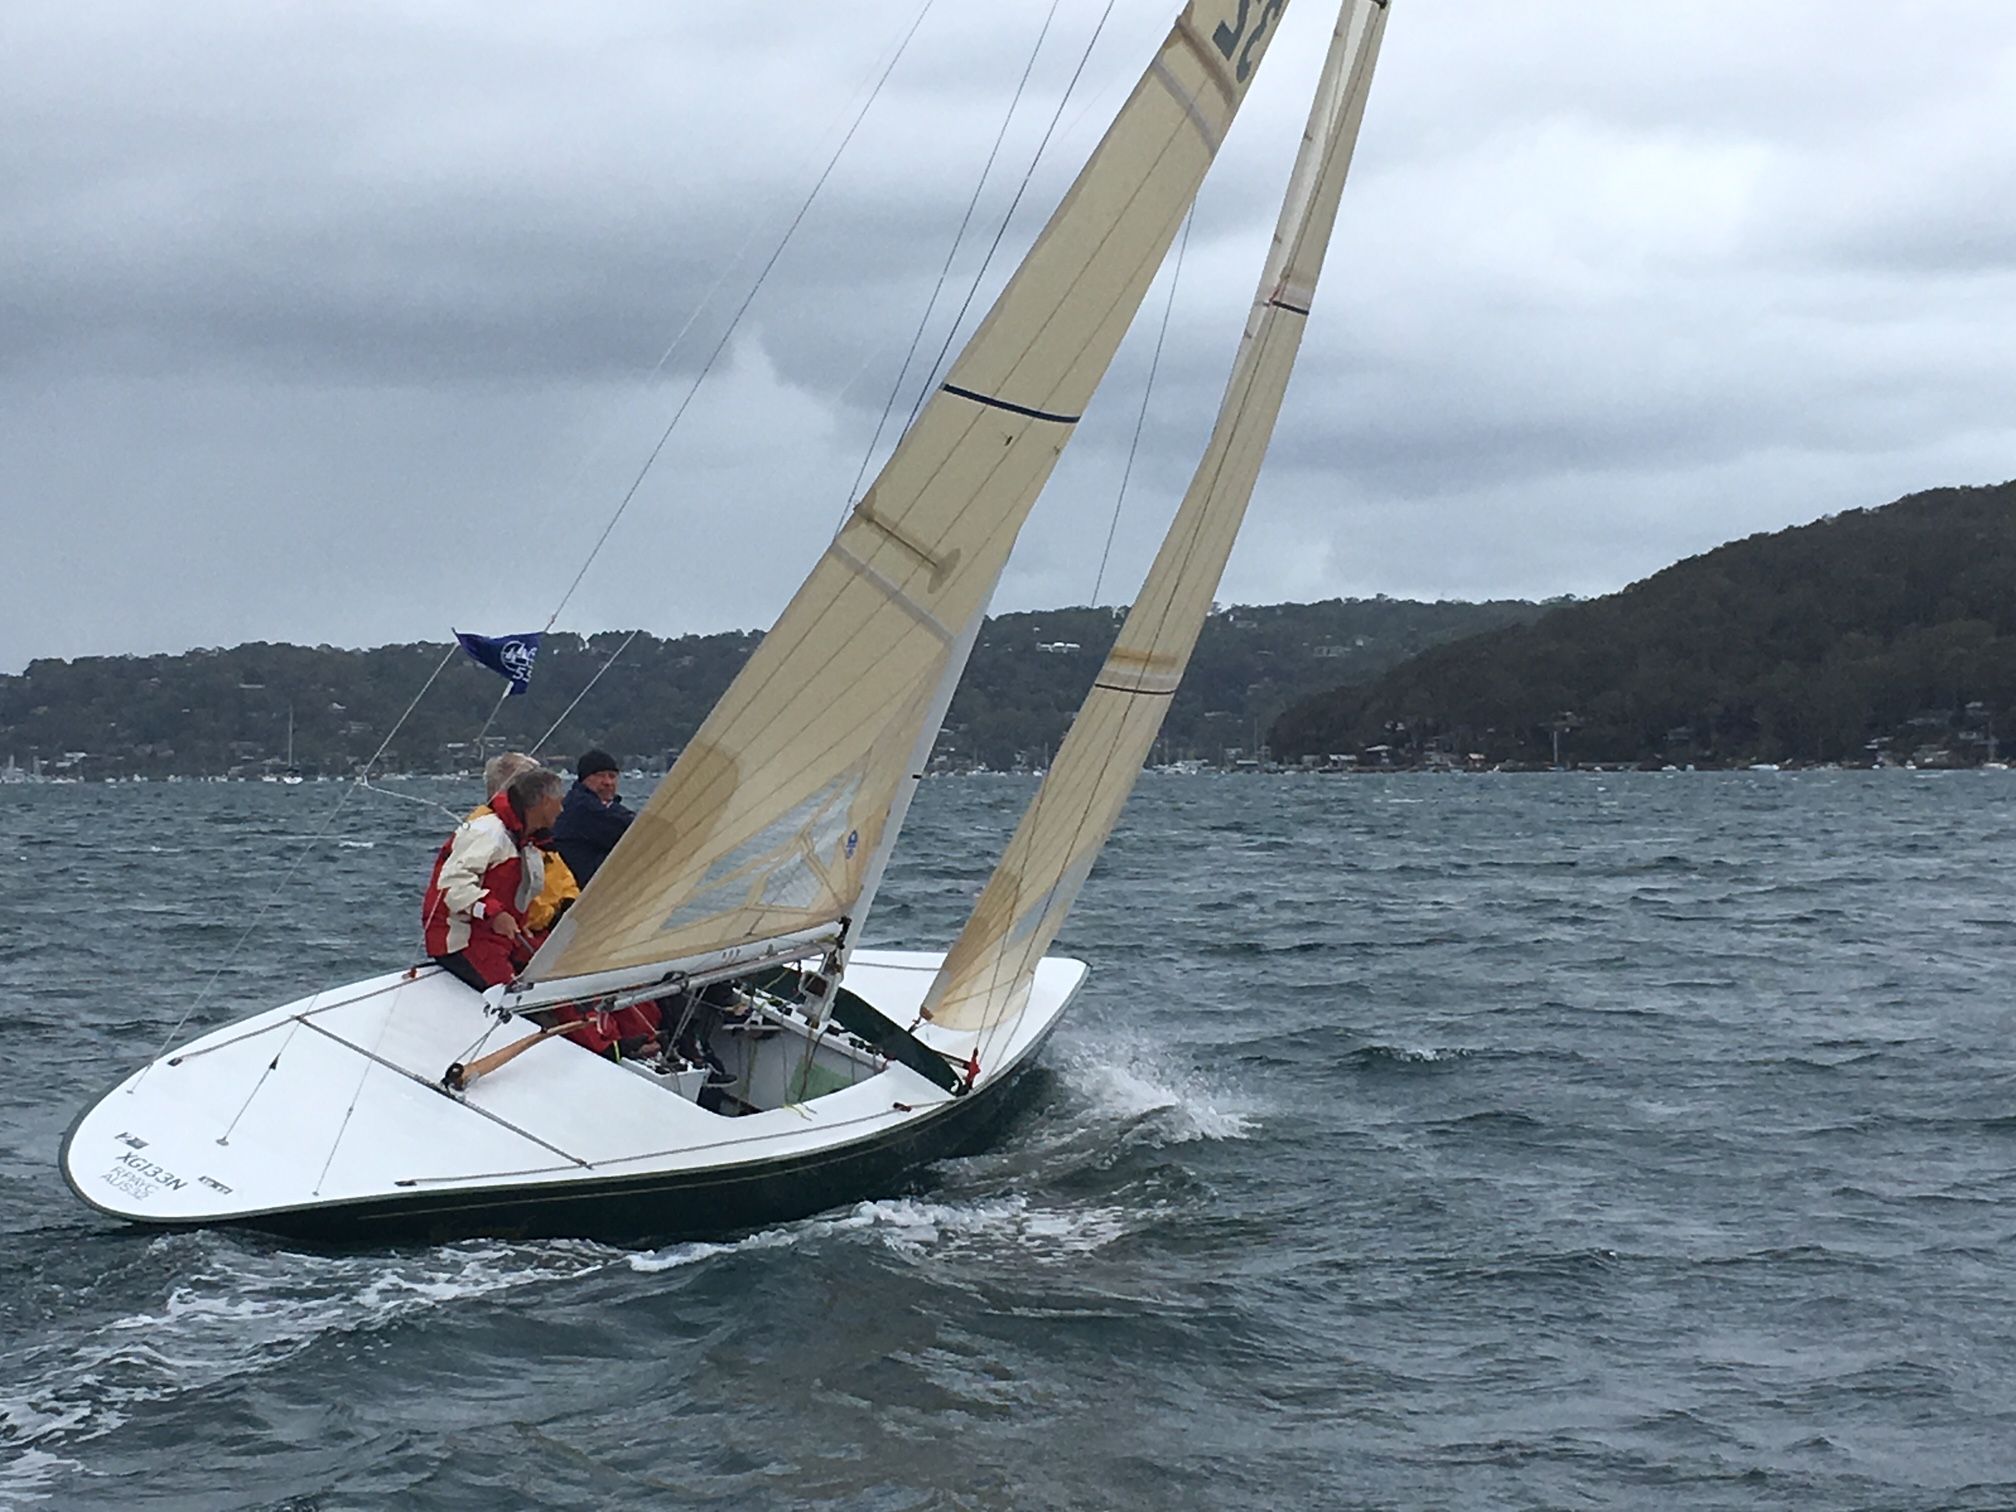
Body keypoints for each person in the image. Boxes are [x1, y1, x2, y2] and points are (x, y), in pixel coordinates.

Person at [423, 766, 566, 991]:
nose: (562, 808)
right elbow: (451, 885)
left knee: (559, 977)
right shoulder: (488, 833)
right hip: (463, 940)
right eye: (559, 801)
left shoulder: (526, 841)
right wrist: (493, 913)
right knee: (512, 995)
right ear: (545, 801)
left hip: (502, 938)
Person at [551, 748, 635, 885]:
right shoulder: (580, 807)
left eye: (612, 776)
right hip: (579, 894)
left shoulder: (604, 807)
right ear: (584, 779)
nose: (607, 782)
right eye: (600, 775)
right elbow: (631, 830)